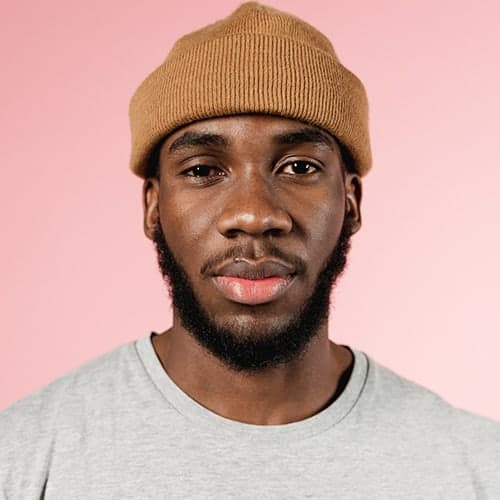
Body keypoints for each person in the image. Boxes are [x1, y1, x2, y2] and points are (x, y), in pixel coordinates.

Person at [1, 2, 499, 498]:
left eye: (299, 167)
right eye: (203, 170)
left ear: (351, 202)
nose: (254, 215)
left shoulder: (478, 467)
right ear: (153, 206)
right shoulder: (22, 456)